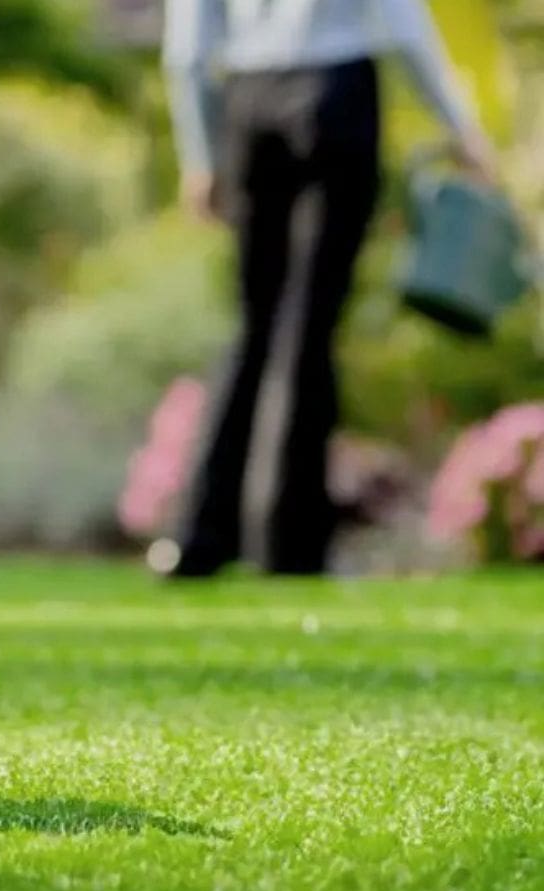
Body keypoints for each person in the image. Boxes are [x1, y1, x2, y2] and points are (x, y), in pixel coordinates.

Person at [154, 0, 498, 577]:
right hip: (337, 90)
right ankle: (289, 545)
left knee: (254, 324)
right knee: (309, 328)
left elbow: (186, 53)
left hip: (248, 103)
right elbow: (405, 26)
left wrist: (202, 158)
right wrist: (458, 125)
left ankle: (200, 536)